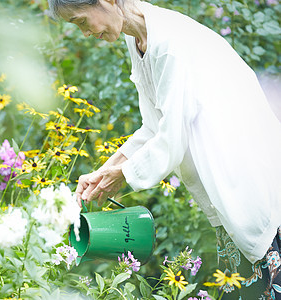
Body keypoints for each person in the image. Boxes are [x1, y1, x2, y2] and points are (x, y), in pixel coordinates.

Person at [47, 0, 281, 299]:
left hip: (252, 181)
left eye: (81, 21)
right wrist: (105, 171)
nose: (85, 33)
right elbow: (155, 126)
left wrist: (120, 176)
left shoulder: (169, 41)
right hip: (230, 191)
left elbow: (172, 139)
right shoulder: (139, 39)